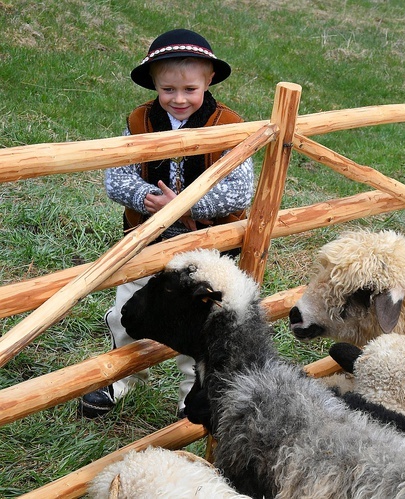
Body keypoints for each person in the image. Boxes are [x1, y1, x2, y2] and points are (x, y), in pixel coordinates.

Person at [80, 28, 255, 418]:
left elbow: (239, 191)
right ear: (155, 85)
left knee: (197, 321)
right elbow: (117, 177)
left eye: (190, 89)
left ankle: (189, 396)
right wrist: (148, 199)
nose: (179, 99)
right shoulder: (140, 120)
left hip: (206, 246)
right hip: (146, 237)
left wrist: (185, 206)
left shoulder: (228, 125)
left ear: (209, 81)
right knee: (127, 310)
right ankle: (121, 377)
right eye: (168, 90)